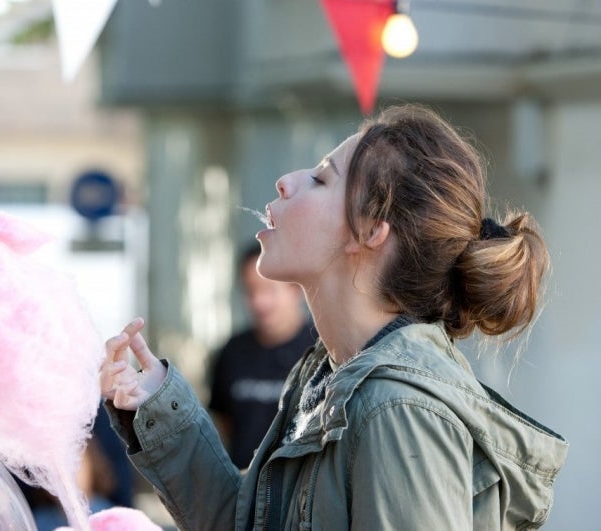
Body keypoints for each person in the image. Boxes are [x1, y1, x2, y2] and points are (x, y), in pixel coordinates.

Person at [99, 104, 568, 530]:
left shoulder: (398, 408)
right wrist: (157, 402)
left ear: (369, 231)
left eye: (322, 179)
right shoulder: (326, 378)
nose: (286, 181)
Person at [208, 241, 316, 468]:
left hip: (301, 495)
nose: (259, 302)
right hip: (242, 489)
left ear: (296, 289)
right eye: (250, 291)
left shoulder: (322, 351)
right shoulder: (232, 351)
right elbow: (221, 424)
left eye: (269, 290)